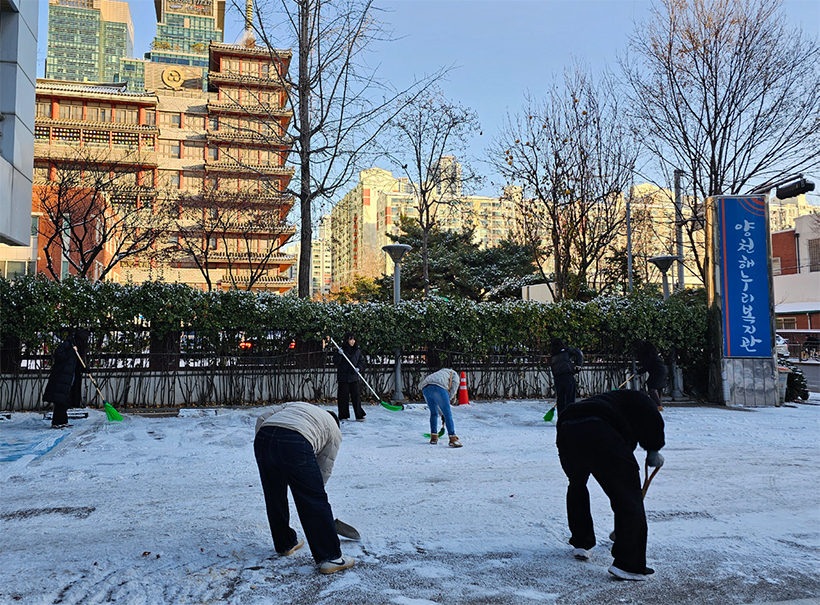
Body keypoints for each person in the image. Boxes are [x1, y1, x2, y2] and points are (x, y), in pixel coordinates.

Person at [556, 389, 665, 581]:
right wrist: (653, 451)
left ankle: (582, 542)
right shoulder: (645, 402)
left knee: (577, 484)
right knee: (628, 495)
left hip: (567, 427)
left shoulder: (615, 401)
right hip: (599, 429)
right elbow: (653, 422)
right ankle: (628, 564)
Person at [253, 402, 355, 575]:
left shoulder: (300, 406)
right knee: (314, 498)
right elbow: (324, 467)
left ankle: (285, 543)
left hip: (263, 439)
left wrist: (272, 451)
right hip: (295, 441)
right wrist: (312, 493)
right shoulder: (334, 431)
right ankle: (330, 557)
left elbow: (262, 417)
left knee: (274, 494)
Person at [42, 328, 89, 428]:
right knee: (61, 401)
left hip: (69, 378)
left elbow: (76, 365)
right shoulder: (68, 345)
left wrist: (85, 369)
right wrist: (71, 351)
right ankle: (57, 422)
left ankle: (62, 421)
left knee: (66, 401)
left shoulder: (77, 348)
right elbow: (58, 355)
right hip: (61, 377)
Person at [418, 368, 462, 447]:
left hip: (425, 387)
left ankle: (433, 438)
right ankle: (453, 439)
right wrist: (449, 400)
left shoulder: (440, 373)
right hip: (439, 387)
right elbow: (454, 388)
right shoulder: (454, 375)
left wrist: (441, 411)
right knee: (447, 414)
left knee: (434, 413)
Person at [333, 333, 366, 422]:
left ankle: (359, 415)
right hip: (343, 377)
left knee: (356, 396)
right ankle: (343, 415)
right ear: (346, 340)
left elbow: (361, 361)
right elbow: (336, 362)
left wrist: (359, 368)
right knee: (343, 397)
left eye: (353, 340)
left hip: (354, 377)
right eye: (350, 339)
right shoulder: (341, 350)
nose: (352, 342)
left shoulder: (357, 351)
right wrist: (339, 354)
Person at [549, 337, 584, 417]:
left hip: (558, 378)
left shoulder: (553, 356)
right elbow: (578, 352)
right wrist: (578, 365)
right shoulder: (566, 351)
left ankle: (561, 416)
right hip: (568, 376)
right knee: (570, 397)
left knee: (560, 399)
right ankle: (570, 415)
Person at [633, 339, 668, 411]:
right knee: (658, 388)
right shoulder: (651, 352)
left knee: (652, 387)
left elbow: (647, 366)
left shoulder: (648, 354)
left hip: (658, 371)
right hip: (662, 370)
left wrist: (639, 372)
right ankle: (658, 405)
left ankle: (659, 406)